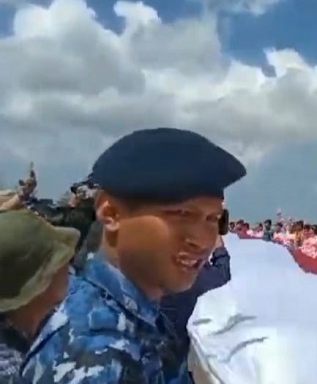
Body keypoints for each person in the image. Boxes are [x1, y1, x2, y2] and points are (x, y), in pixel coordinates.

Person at [21, 127, 246, 383]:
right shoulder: (98, 357)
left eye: (213, 219)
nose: (202, 240)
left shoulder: (134, 313)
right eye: (182, 215)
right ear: (112, 214)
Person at [0, 211, 78, 380]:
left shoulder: (43, 323)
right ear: (40, 283)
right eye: (59, 259)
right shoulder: (8, 365)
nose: (68, 263)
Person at [160, 221, 232, 358]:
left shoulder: (155, 273)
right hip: (188, 359)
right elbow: (223, 270)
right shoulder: (209, 279)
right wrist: (214, 229)